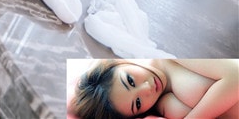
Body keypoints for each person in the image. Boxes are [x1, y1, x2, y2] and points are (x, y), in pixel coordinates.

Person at [69, 58, 239, 119]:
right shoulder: (164, 105)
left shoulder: (170, 58)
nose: (147, 89)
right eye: (137, 103)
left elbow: (236, 76)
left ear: (120, 63)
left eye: (130, 80)